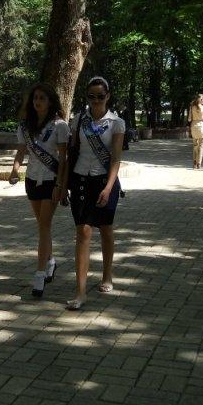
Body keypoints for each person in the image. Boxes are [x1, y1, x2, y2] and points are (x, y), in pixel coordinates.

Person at [62, 76, 125, 310]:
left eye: (100, 96)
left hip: (104, 181)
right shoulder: (79, 120)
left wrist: (108, 188)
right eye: (91, 96)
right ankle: (80, 291)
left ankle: (107, 274)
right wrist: (63, 185)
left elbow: (116, 158)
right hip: (80, 179)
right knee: (83, 231)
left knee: (105, 228)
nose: (96, 101)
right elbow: (71, 154)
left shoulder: (116, 123)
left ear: (108, 96)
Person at [8, 83, 69, 297]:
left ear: (50, 101)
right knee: (42, 225)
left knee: (44, 226)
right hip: (32, 180)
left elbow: (63, 159)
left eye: (42, 98)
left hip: (51, 181)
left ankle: (40, 274)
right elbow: (21, 152)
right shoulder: (26, 126)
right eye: (35, 98)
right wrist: (14, 170)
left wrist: (60, 185)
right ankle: (50, 261)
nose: (38, 102)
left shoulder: (60, 126)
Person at [188, 94, 203, 169]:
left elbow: (189, 119)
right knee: (201, 145)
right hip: (202, 126)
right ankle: (199, 163)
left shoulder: (192, 107)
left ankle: (194, 162)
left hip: (194, 126)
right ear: (201, 100)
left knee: (195, 145)